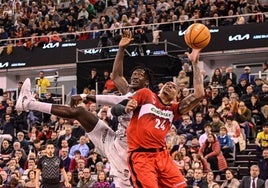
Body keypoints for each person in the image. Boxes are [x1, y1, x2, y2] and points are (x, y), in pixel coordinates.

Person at [15, 30, 150, 188]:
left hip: (126, 154)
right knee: (79, 112)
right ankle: (28, 103)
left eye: (140, 75)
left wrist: (85, 97)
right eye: (134, 73)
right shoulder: (128, 91)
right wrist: (121, 49)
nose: (134, 76)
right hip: (113, 140)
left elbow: (116, 100)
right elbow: (116, 76)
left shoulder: (148, 100)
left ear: (146, 83)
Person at [124, 48, 204, 187]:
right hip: (141, 156)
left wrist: (195, 63)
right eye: (167, 85)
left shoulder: (174, 109)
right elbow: (134, 101)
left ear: (176, 96)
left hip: (162, 155)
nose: (169, 86)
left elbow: (198, 94)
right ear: (160, 89)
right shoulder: (147, 94)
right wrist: (131, 104)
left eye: (173, 87)